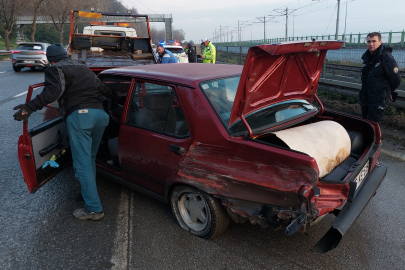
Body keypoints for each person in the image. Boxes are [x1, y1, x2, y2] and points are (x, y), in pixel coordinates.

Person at [13, 44, 121, 221]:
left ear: (50, 60)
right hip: (101, 115)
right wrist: (118, 98)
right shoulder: (84, 68)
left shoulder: (55, 69)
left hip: (81, 117)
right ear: (67, 55)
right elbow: (103, 89)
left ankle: (94, 209)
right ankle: (88, 193)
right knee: (90, 159)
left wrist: (30, 107)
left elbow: (54, 91)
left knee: (82, 163)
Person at [359, 32, 401, 123]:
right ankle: (373, 137)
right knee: (365, 123)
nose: (371, 44)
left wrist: (389, 92)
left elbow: (396, 79)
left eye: (374, 41)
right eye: (369, 41)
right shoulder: (367, 57)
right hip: (366, 96)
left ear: (380, 42)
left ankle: (375, 137)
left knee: (372, 124)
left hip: (378, 98)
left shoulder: (386, 58)